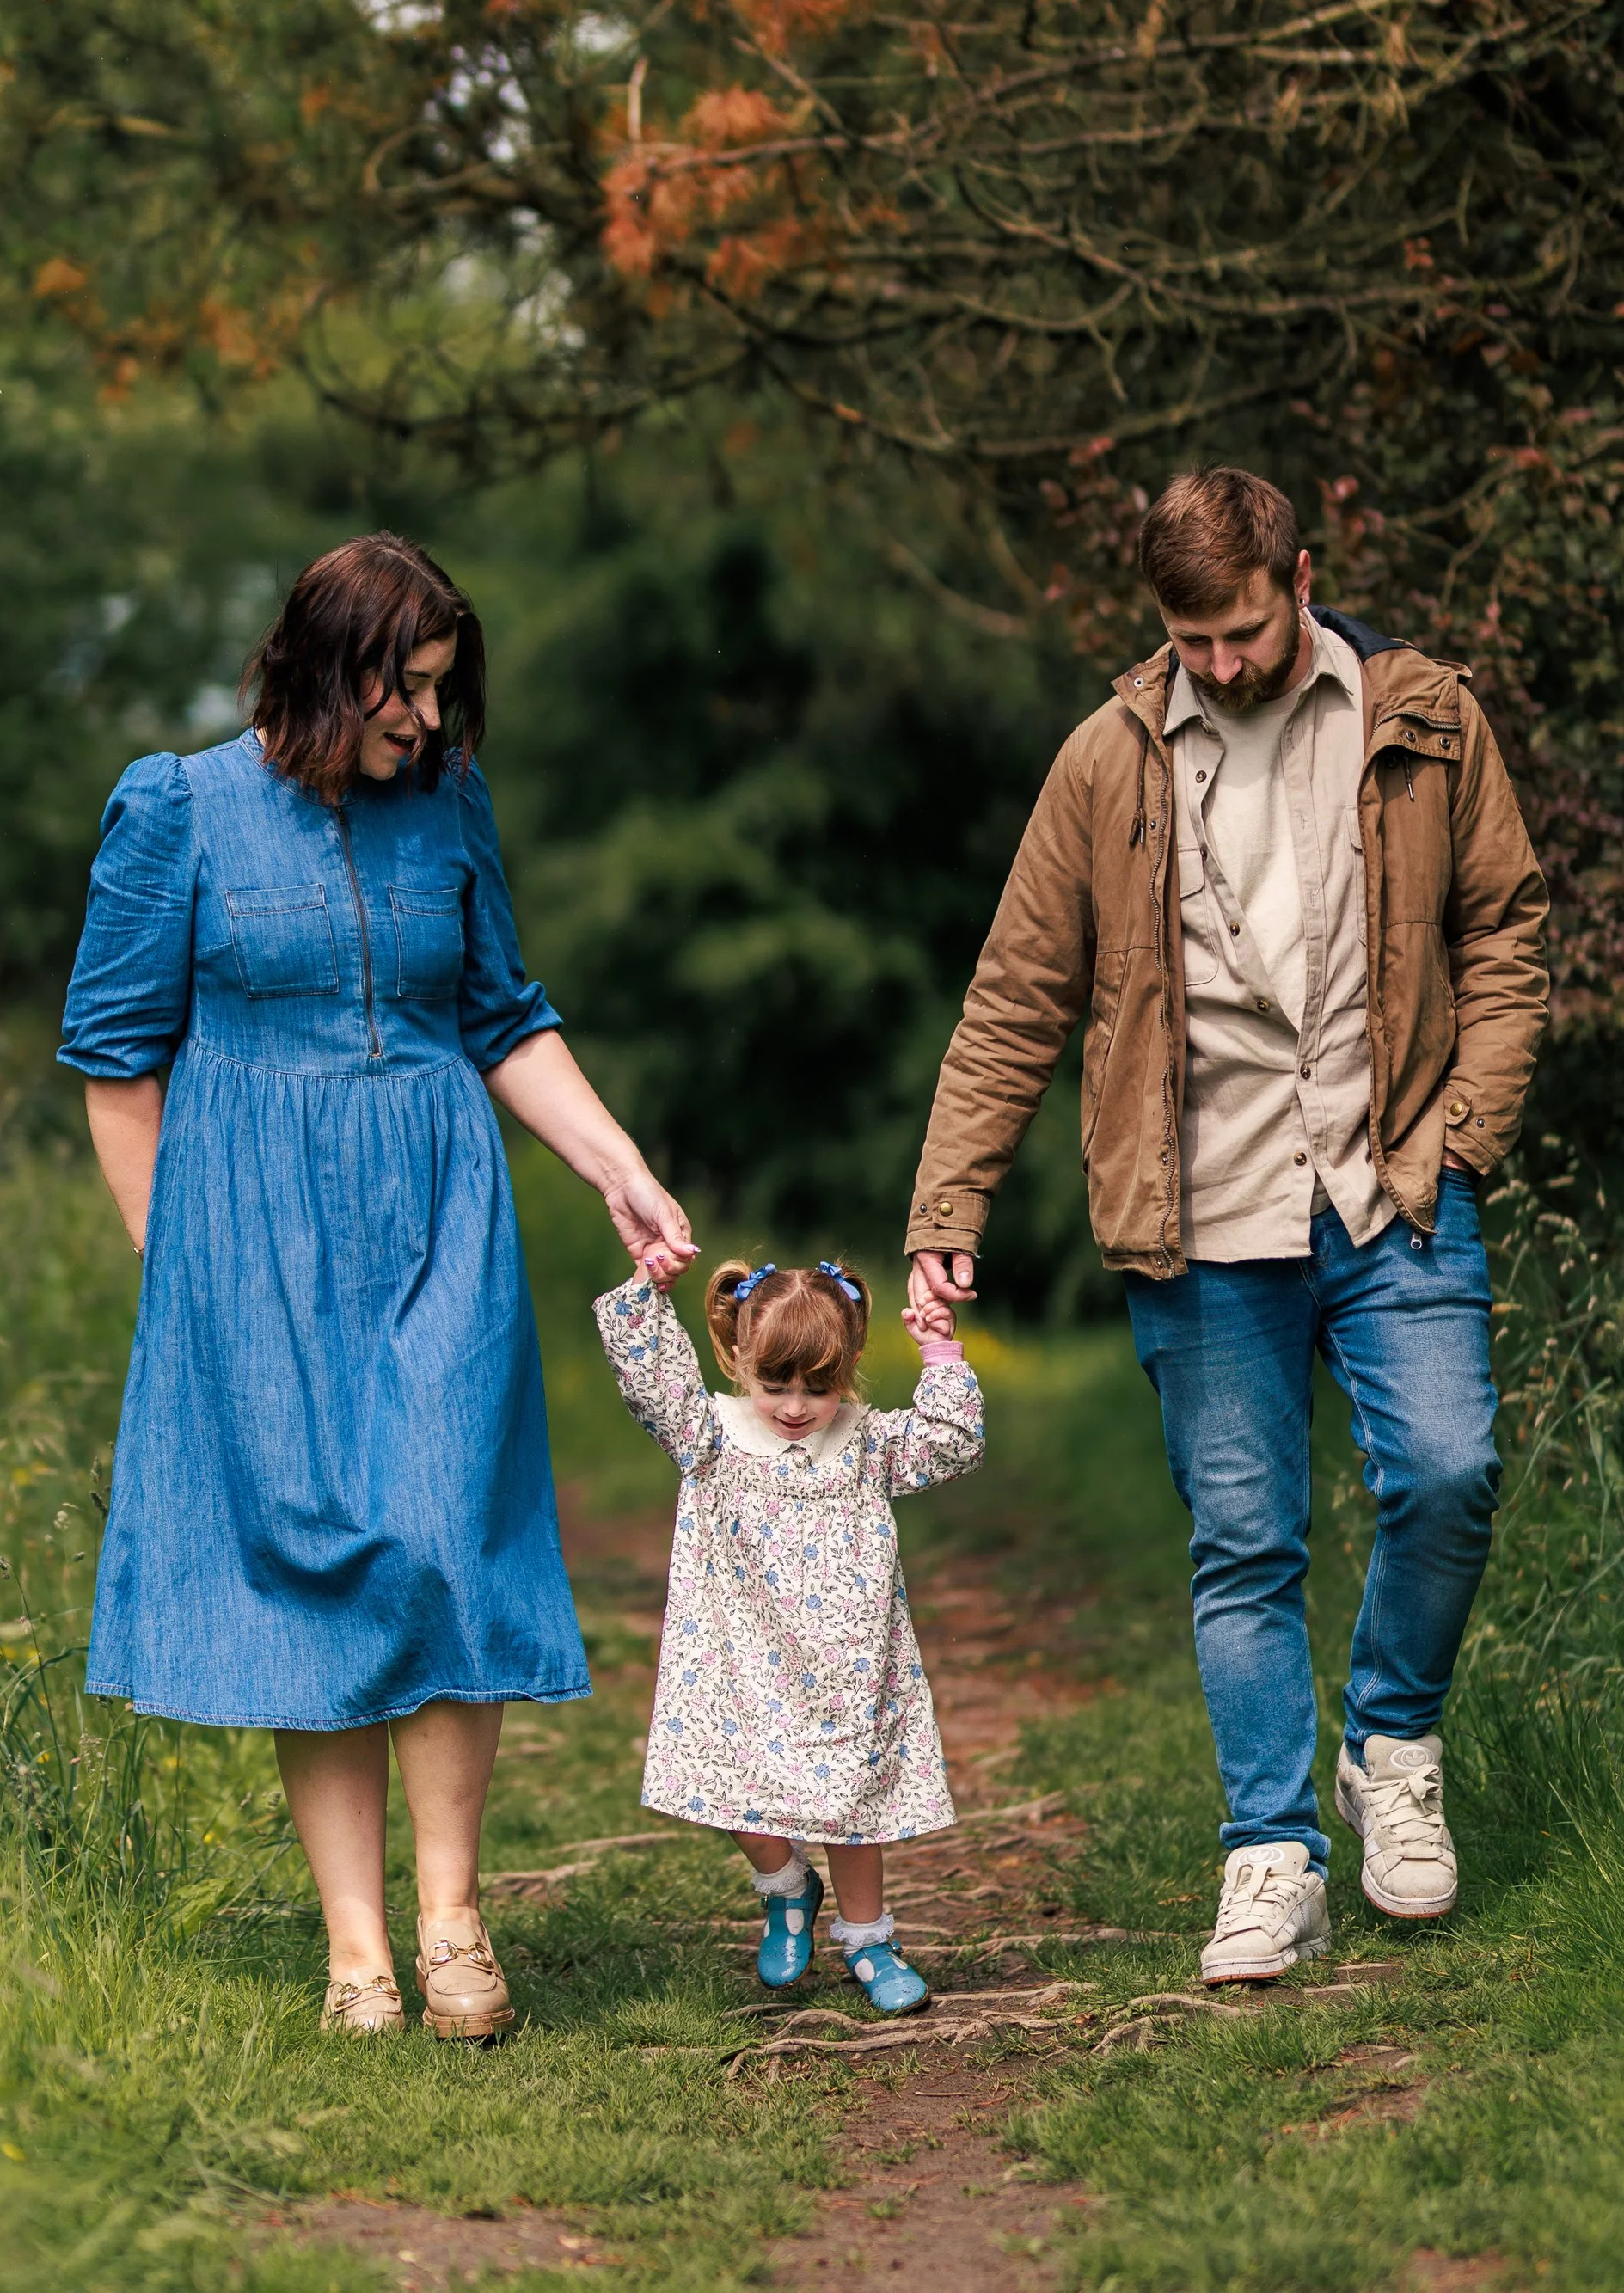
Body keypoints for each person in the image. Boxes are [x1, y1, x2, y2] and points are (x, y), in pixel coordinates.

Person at [904, 469, 1549, 1983]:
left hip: (1394, 1178)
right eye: (1193, 640)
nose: (1226, 664)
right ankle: (1270, 1853)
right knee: (1244, 1541)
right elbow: (1015, 995)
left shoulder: (1427, 716)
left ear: (1302, 577)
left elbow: (1505, 926)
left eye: (1247, 630)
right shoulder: (1103, 763)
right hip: (1195, 1208)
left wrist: (1467, 1132)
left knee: (1450, 1468)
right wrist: (951, 1201)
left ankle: (1389, 1739)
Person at [59, 532, 696, 2040]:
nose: (424, 719)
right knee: (317, 1564)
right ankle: (358, 1952)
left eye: (439, 690)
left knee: (447, 1535)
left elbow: (504, 1015)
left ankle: (454, 1914)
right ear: (319, 666)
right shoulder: (181, 810)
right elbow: (113, 1065)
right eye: (401, 688)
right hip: (249, 1239)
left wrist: (617, 1165)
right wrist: (182, 1273)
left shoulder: (449, 805)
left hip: (437, 1214)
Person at [593, 1257, 984, 2013]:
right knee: (727, 1779)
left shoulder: (867, 1444)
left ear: (851, 1367)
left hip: (849, 1669)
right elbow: (647, 1374)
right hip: (739, 1660)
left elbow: (950, 1442)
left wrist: (941, 1351)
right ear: (739, 1358)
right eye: (776, 1384)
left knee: (852, 1800)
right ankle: (786, 1882)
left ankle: (869, 1936)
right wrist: (648, 1287)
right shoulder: (707, 1434)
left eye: (819, 1384)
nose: (798, 1405)